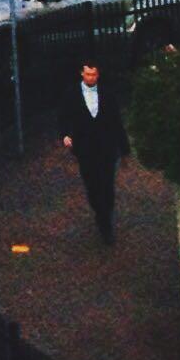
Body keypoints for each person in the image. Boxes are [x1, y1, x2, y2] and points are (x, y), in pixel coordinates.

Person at [59, 55, 127, 244]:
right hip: (85, 148)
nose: (91, 78)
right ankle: (100, 212)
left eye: (94, 75)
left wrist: (124, 147)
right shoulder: (71, 94)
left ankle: (105, 220)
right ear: (82, 73)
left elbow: (116, 121)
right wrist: (65, 134)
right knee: (92, 184)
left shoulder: (107, 93)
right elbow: (64, 117)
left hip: (106, 147)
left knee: (107, 185)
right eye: (88, 74)